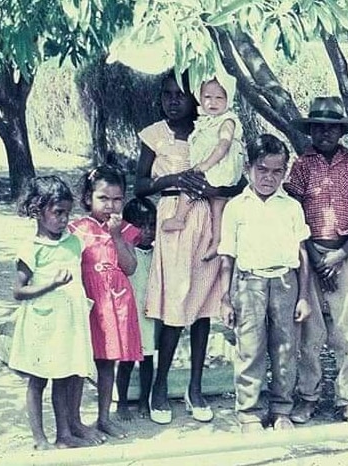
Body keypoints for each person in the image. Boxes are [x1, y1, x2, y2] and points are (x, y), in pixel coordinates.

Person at [135, 71, 245, 425]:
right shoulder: (155, 135)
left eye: (180, 95)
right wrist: (173, 179)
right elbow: (139, 185)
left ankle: (195, 387)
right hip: (173, 218)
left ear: (196, 98)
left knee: (202, 305)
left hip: (208, 218)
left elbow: (235, 177)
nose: (173, 101)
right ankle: (159, 387)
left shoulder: (210, 128)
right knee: (173, 304)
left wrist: (216, 191)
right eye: (167, 94)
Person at [218, 134, 312, 433]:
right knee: (251, 348)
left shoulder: (291, 207)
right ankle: (249, 412)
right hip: (250, 284)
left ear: (285, 171)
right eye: (262, 170)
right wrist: (225, 297)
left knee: (285, 348)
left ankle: (281, 408)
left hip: (285, 282)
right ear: (249, 168)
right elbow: (227, 255)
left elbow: (302, 253)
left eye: (276, 171)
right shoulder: (236, 207)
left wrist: (304, 296)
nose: (269, 177)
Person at [285, 96, 348, 424]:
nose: (324, 134)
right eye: (318, 128)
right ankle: (308, 396)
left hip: (344, 255)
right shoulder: (302, 165)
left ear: (340, 131)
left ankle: (346, 399)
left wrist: (342, 253)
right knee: (310, 334)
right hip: (309, 256)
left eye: (330, 128)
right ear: (311, 131)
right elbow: (292, 212)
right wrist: (314, 255)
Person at [8, 175, 95, 449]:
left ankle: (64, 434)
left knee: (65, 376)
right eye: (57, 212)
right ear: (37, 210)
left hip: (68, 323)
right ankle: (39, 438)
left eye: (67, 213)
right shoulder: (31, 248)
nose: (63, 219)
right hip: (43, 325)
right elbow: (18, 291)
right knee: (38, 380)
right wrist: (51, 284)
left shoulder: (73, 242)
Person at [68, 165, 142, 438]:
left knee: (107, 361)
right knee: (80, 360)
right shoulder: (75, 229)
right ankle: (75, 422)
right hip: (88, 301)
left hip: (116, 303)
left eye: (117, 199)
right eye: (103, 198)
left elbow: (130, 266)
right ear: (88, 198)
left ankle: (103, 418)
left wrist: (116, 236)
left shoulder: (126, 230)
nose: (111, 205)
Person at [161, 73, 245, 262]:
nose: (212, 102)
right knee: (218, 210)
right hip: (218, 171)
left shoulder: (227, 121)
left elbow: (223, 145)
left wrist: (205, 165)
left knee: (190, 185)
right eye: (207, 97)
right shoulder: (206, 120)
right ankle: (217, 242)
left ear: (228, 99)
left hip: (218, 168)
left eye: (219, 98)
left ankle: (179, 218)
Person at [115, 197, 158, 421]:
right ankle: (122, 402)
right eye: (142, 225)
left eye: (152, 225)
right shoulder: (125, 253)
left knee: (148, 359)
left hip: (148, 315)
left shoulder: (157, 254)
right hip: (129, 316)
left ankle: (144, 402)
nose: (148, 231)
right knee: (126, 361)